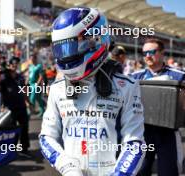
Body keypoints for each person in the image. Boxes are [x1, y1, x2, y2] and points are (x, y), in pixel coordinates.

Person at [39, 7, 145, 176]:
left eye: (72, 46)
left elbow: (135, 142)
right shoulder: (57, 88)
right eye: (62, 49)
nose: (66, 55)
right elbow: (46, 137)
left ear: (96, 39)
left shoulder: (127, 86)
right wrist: (67, 167)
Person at [132, 38, 185, 176]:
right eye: (145, 53)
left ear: (162, 53)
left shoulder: (179, 76)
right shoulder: (133, 77)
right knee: (140, 171)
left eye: (152, 51)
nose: (147, 56)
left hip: (168, 134)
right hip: (142, 133)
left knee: (168, 172)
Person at [0, 56, 30, 153]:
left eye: (16, 63)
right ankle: (11, 150)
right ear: (9, 65)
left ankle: (24, 148)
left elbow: (24, 91)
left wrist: (28, 102)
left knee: (24, 128)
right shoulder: (4, 77)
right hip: (9, 108)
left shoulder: (20, 77)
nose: (14, 65)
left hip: (21, 106)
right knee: (11, 130)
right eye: (13, 63)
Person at [28, 52, 45, 117]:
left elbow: (41, 76)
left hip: (36, 84)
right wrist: (27, 81)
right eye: (31, 58)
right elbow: (29, 75)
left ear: (35, 59)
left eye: (33, 58)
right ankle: (42, 110)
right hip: (30, 84)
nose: (32, 60)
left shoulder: (39, 66)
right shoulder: (30, 66)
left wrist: (37, 84)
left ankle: (30, 111)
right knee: (38, 98)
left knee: (32, 98)